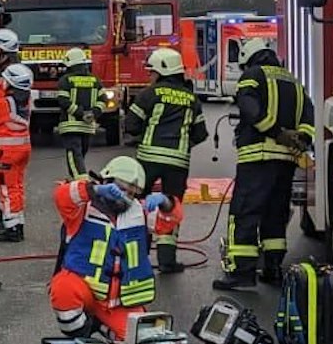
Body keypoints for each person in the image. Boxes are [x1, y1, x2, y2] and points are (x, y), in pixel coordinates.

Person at [216, 37, 314, 291]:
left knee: (245, 211)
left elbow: (248, 106)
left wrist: (274, 130)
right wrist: (300, 138)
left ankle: (242, 273)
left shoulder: (253, 74)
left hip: (257, 157)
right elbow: (308, 114)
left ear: (248, 57)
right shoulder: (293, 80)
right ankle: (272, 269)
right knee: (275, 214)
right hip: (286, 160)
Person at [49, 157, 165, 344]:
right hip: (85, 290)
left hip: (120, 302)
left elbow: (170, 221)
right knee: (63, 290)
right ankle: (82, 333)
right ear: (106, 182)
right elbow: (62, 196)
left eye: (131, 192)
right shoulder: (82, 209)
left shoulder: (140, 212)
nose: (124, 196)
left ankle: (101, 327)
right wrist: (93, 190)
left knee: (142, 342)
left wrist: (165, 202)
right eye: (121, 188)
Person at [123, 47, 206, 274]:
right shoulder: (192, 99)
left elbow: (130, 125)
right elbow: (201, 133)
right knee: (171, 208)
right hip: (178, 162)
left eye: (152, 72)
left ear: (162, 70)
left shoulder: (150, 94)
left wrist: (144, 135)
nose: (150, 76)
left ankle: (136, 256)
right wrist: (182, 144)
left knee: (137, 206)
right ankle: (167, 261)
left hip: (148, 159)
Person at [0, 27, 30, 242]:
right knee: (13, 187)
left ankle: (11, 225)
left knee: (7, 187)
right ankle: (9, 219)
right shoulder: (2, 73)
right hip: (11, 141)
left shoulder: (10, 74)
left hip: (5, 143)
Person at [52, 47, 101, 179]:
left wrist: (80, 113)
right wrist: (93, 114)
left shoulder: (65, 80)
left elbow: (63, 101)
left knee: (74, 154)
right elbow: (103, 100)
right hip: (88, 125)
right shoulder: (95, 81)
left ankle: (80, 182)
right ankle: (79, 178)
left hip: (70, 125)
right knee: (81, 154)